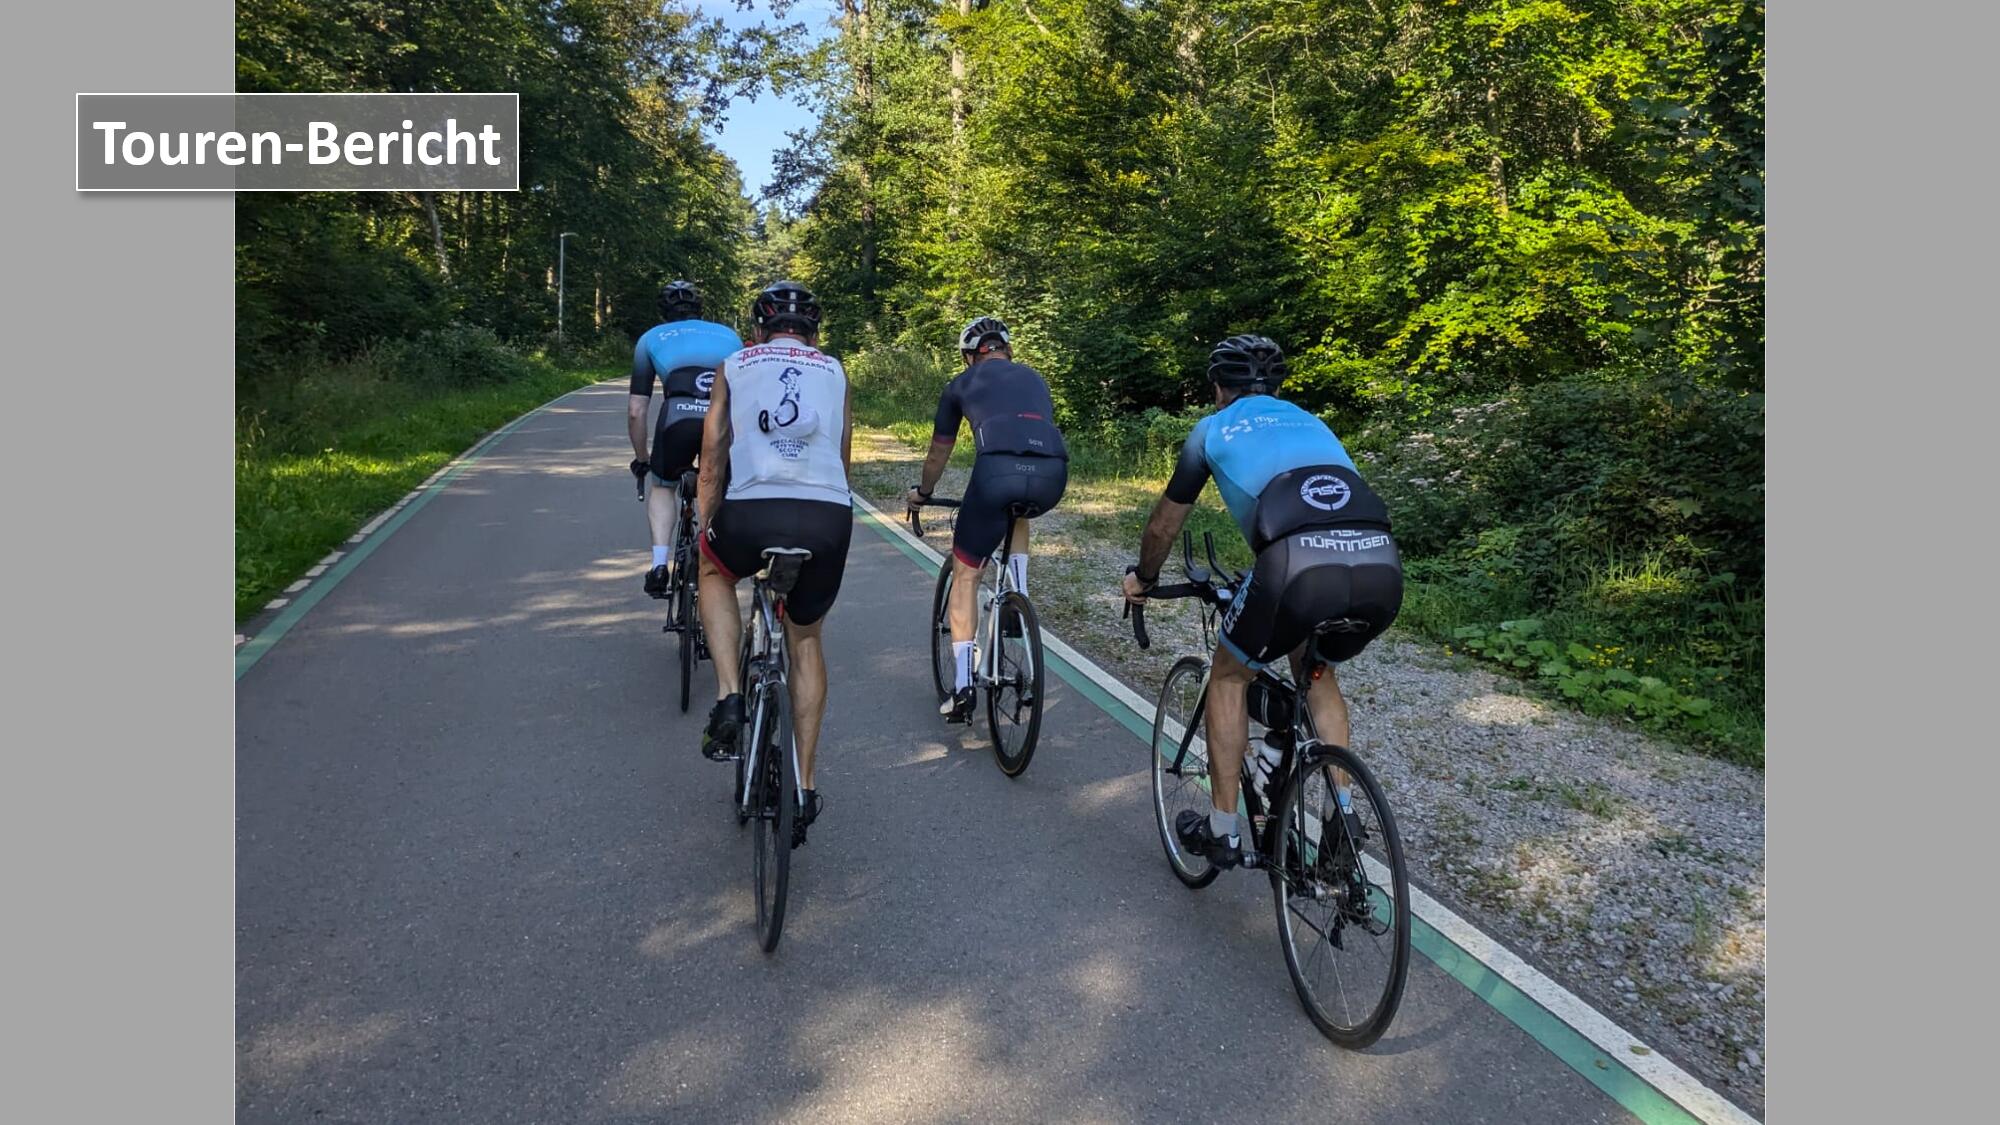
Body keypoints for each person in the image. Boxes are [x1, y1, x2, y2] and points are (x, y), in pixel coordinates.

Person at [1119, 335, 1402, 868]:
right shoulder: (1313, 421)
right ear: (1277, 386)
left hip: (1296, 565)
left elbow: (1163, 524)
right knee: (1317, 672)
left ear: (1219, 387)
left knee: (1229, 675)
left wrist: (1143, 577)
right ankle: (1340, 810)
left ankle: (1223, 829)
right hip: (1379, 563)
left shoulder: (1212, 429)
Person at [695, 280, 853, 845]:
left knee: (712, 571)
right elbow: (841, 460)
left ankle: (730, 694)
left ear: (757, 330)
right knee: (805, 638)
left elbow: (711, 457)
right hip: (826, 516)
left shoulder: (734, 364)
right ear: (814, 334)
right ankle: (805, 788)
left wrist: (704, 521)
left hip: (752, 510)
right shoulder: (835, 371)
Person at [904, 316, 1069, 722]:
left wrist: (923, 494)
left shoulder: (961, 384)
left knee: (967, 575)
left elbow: (938, 453)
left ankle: (962, 688)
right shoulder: (1035, 378)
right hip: (1052, 474)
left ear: (968, 356)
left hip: (996, 473)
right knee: (1020, 508)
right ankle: (1019, 591)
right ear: (1006, 350)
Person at [627, 280, 743, 598]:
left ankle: (659, 564)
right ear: (700, 310)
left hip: (676, 417)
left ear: (663, 312)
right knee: (716, 484)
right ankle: (715, 559)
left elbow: (637, 410)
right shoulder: (729, 336)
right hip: (721, 421)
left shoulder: (650, 338)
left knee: (663, 487)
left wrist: (642, 459)